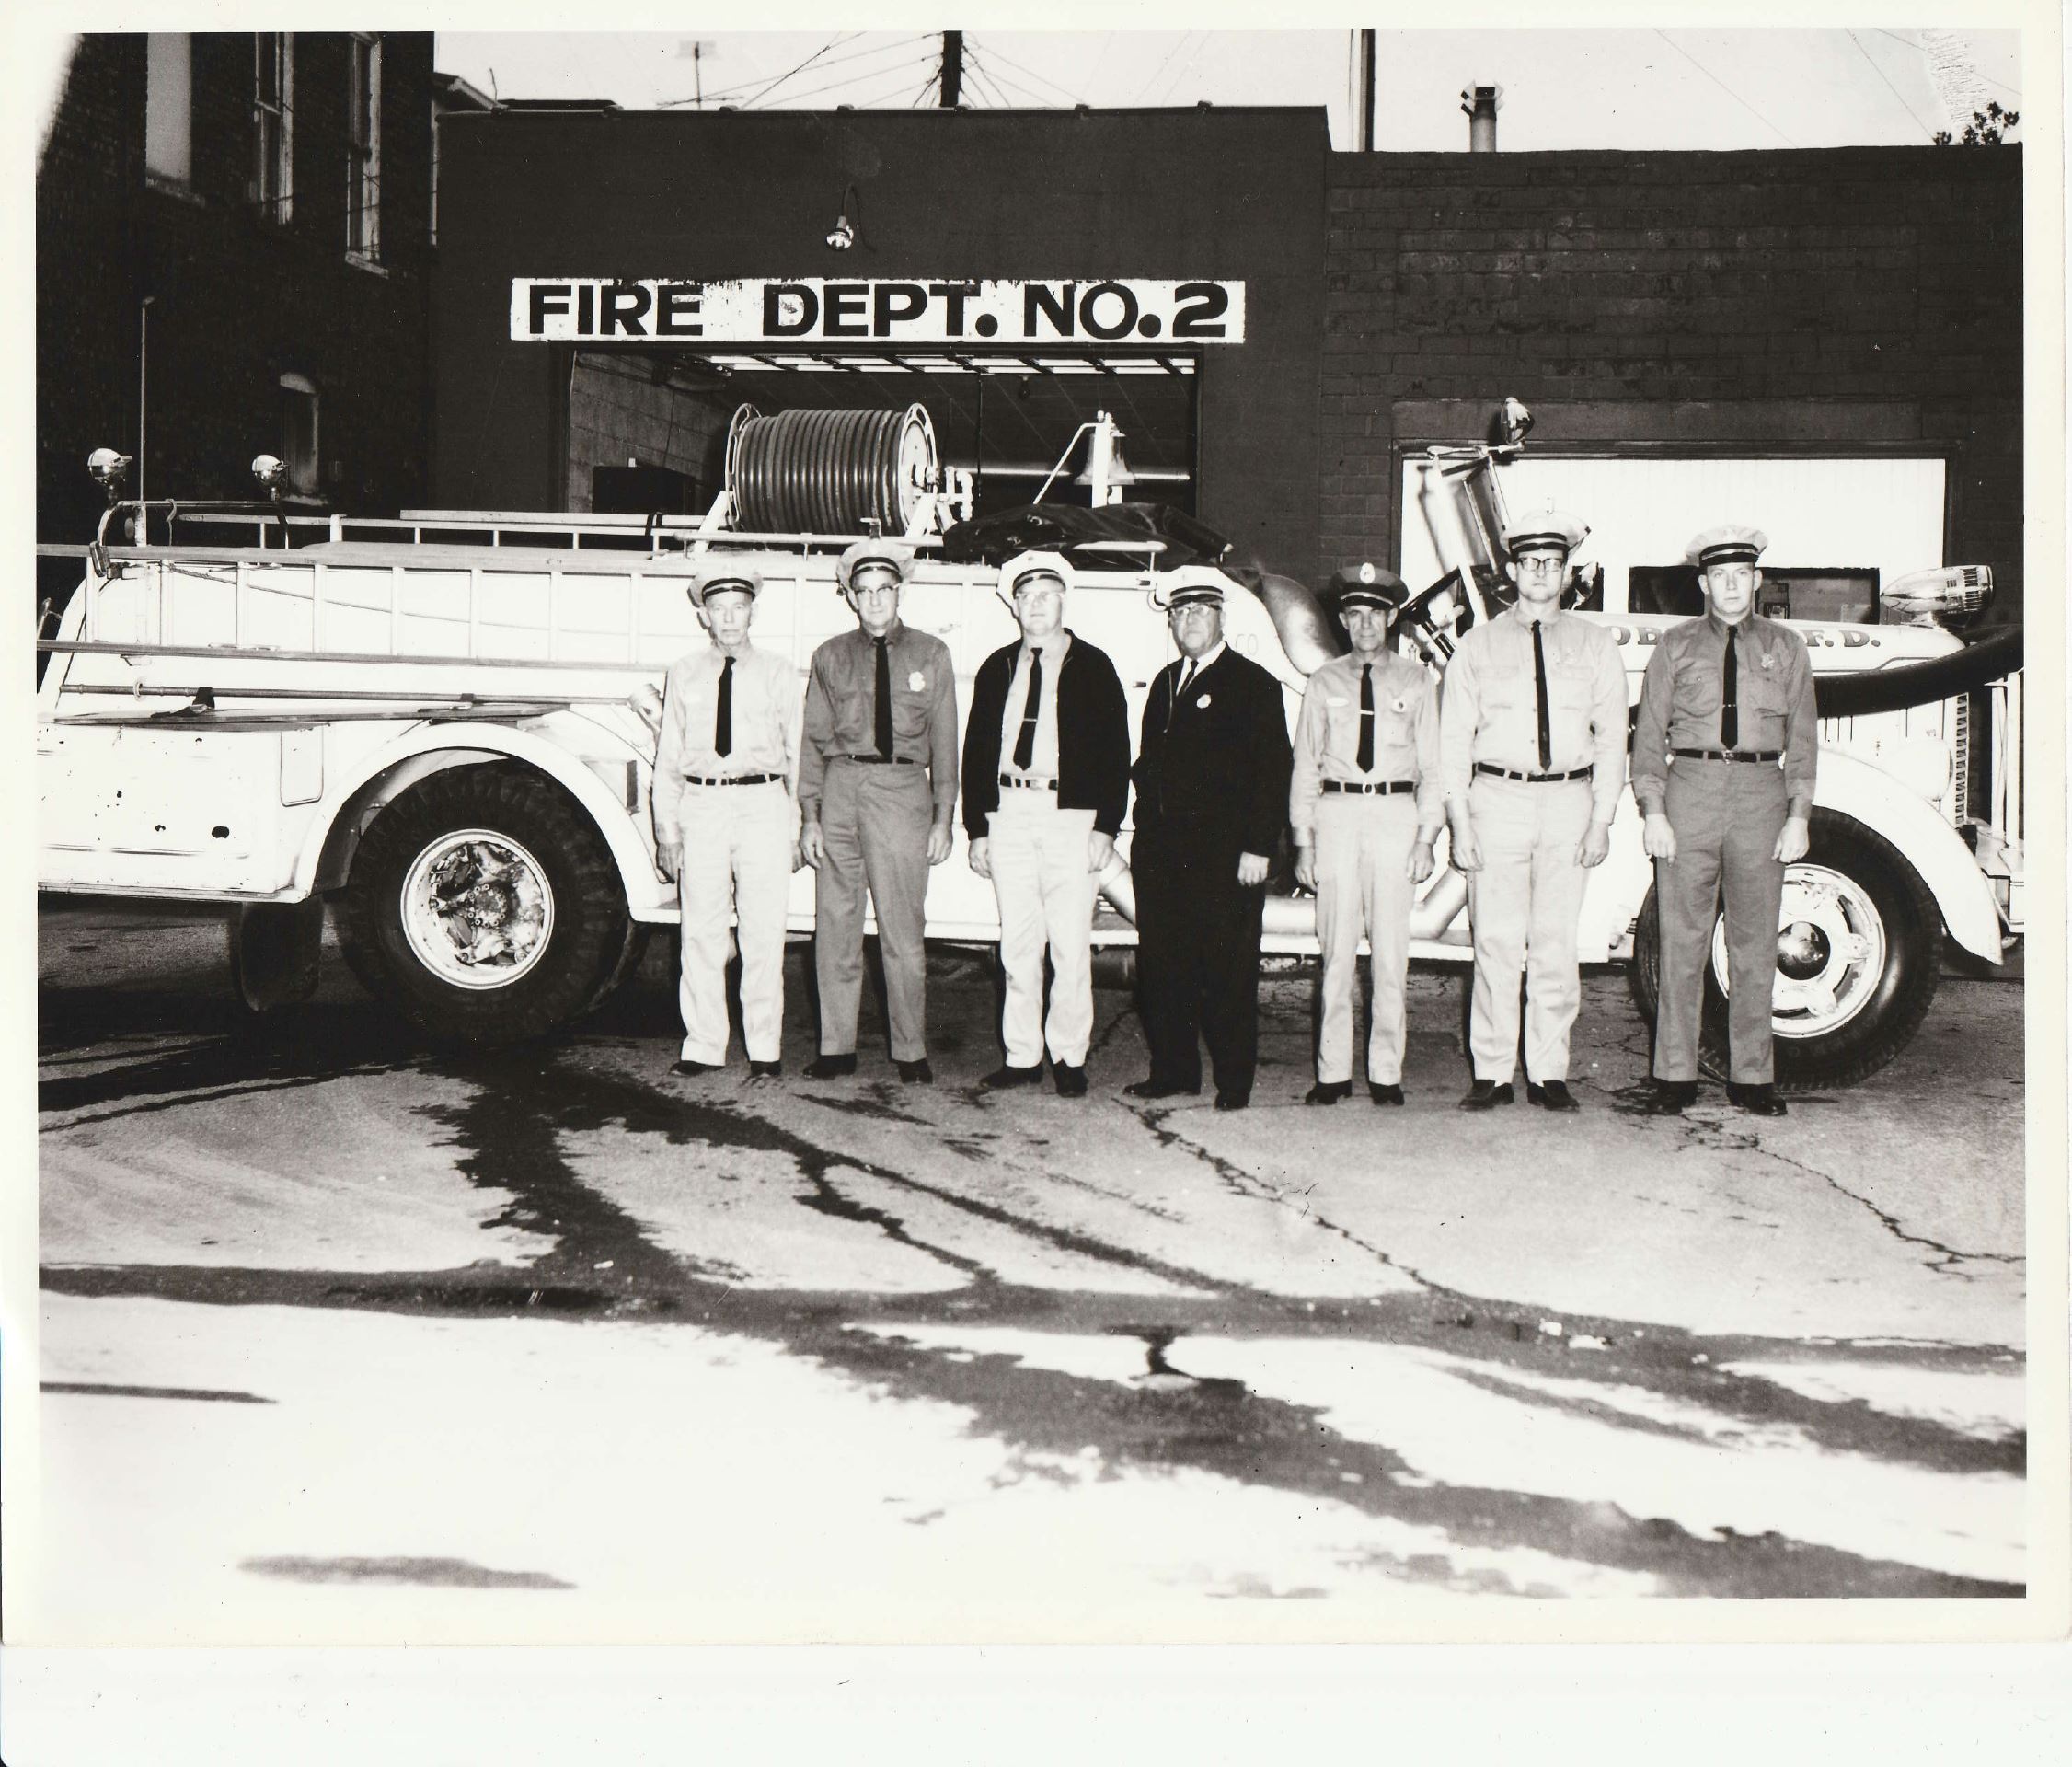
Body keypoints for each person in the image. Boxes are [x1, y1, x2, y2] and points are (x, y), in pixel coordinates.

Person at [1437, 510, 1628, 1112]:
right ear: (1512, 570)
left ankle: (1549, 1071)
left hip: (1569, 803)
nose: (1541, 572)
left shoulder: (1595, 644)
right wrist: (1461, 826)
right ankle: (1491, 1072)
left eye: (1552, 562)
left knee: (1553, 943)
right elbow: (1453, 742)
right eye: (1529, 562)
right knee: (1494, 942)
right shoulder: (1477, 645)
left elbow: (1610, 738)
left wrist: (1601, 818)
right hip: (1497, 802)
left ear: (1566, 570)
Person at [1631, 525, 1818, 1117]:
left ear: (1757, 580)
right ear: (1704, 583)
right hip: (1691, 789)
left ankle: (1753, 1077)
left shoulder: (1787, 648)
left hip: (1762, 794)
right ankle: (1674, 1076)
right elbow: (1648, 737)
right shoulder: (1675, 647)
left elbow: (1804, 741)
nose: (1732, 584)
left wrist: (1799, 816)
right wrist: (1654, 811)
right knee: (1681, 941)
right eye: (1720, 575)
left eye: (1742, 574)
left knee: (1755, 943)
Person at [961, 550, 1132, 1097]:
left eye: (1045, 595)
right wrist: (978, 829)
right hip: (1010, 814)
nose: (1035, 605)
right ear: (1014, 605)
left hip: (1071, 818)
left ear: (1063, 600)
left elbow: (1116, 750)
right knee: (1018, 946)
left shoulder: (1094, 665)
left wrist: (1106, 826)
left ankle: (1070, 1055)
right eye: (1025, 596)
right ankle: (1022, 1056)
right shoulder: (998, 667)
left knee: (1070, 944)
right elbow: (976, 750)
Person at [1125, 575, 1293, 1112]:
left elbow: (1273, 773)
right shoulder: (1167, 681)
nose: (1190, 620)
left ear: (1223, 620)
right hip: (1164, 856)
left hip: (1226, 858)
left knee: (1227, 973)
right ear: (1171, 622)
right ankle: (1173, 1072)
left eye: (1201, 610)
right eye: (1181, 612)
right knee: (1165, 970)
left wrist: (1258, 847)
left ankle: (1234, 1082)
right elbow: (1152, 761)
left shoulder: (1253, 684)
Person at [797, 538, 959, 1084]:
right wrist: (811, 816)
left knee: (902, 930)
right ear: (850, 597)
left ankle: (910, 1051)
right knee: (836, 926)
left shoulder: (931, 653)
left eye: (883, 590)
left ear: (900, 591)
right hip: (842, 786)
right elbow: (814, 740)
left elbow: (946, 740)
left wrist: (944, 817)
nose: (873, 601)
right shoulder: (829, 656)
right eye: (862, 592)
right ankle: (836, 1047)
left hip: (901, 789)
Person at [1290, 564, 1444, 1106]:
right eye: (1355, 614)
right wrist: (1303, 841)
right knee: (1334, 952)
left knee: (1390, 955)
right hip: (1336, 816)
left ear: (1391, 617)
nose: (1365, 625)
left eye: (1375, 613)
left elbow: (1434, 766)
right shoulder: (1324, 681)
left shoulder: (1417, 681)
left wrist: (1427, 837)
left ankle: (1385, 1073)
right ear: (1343, 619)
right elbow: (1306, 765)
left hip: (1396, 817)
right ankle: (1332, 1073)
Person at [651, 561, 801, 1080]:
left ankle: (765, 1049)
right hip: (703, 806)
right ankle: (703, 1045)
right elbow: (668, 757)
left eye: (738, 607)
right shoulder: (684, 672)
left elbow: (798, 754)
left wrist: (798, 826)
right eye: (719, 609)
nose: (729, 618)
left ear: (752, 612)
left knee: (764, 932)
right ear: (705, 617)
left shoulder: (780, 672)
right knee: (701, 933)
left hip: (763, 805)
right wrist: (666, 831)